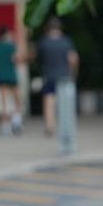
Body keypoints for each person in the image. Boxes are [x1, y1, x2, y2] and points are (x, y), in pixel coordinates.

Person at [36, 18, 78, 153]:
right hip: (65, 77)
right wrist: (73, 74)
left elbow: (39, 58)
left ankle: (50, 125)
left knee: (49, 100)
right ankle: (65, 128)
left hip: (49, 76)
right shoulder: (66, 41)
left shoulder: (44, 42)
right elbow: (73, 59)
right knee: (65, 104)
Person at [0, 25, 22, 135]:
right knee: (17, 100)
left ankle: (5, 126)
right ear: (6, 34)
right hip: (11, 75)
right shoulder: (11, 46)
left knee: (3, 102)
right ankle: (16, 122)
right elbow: (16, 59)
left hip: (1, 75)